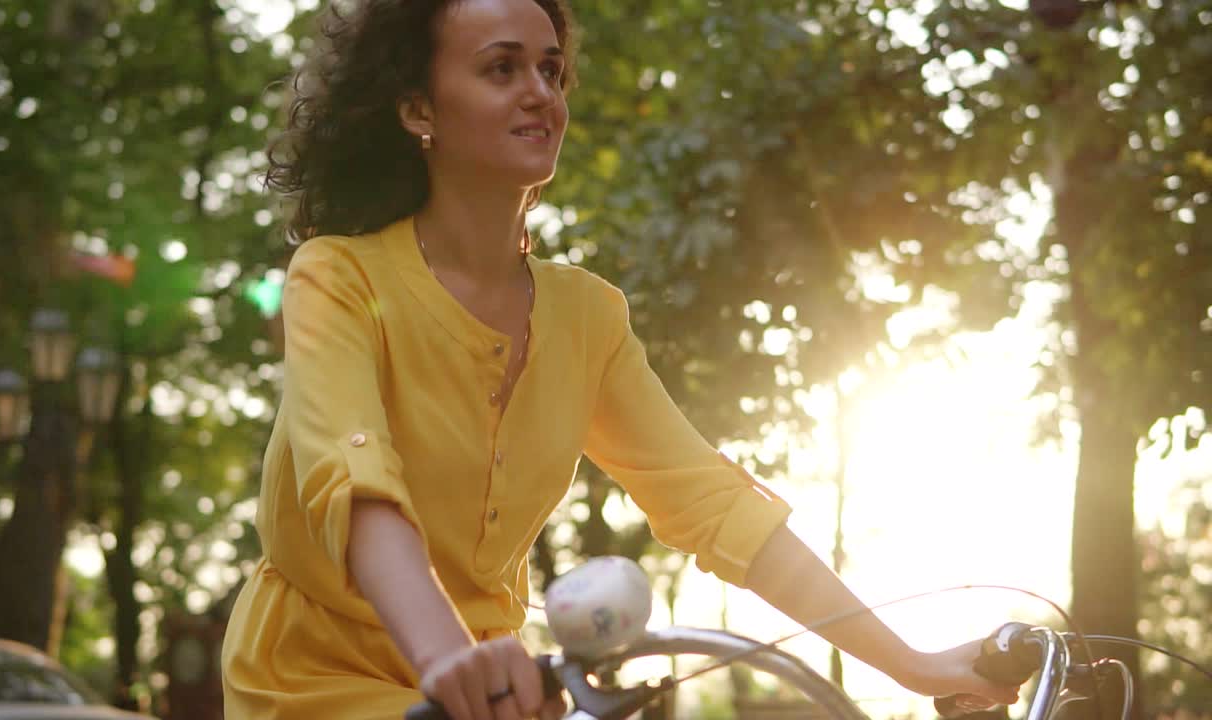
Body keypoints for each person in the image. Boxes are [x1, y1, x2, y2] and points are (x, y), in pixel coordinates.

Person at [219, 1, 1021, 718]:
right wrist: (450, 663)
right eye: (502, 68)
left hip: (498, 693)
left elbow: (713, 504)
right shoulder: (337, 276)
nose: (541, 91)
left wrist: (913, 664)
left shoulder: (587, 315)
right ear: (418, 108)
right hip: (317, 685)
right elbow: (353, 484)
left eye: (551, 68)